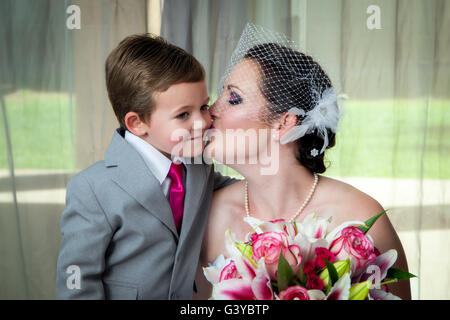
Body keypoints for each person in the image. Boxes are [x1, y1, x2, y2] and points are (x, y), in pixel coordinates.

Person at [195, 26, 411, 300]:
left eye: (233, 98)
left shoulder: (358, 218)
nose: (212, 110)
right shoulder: (209, 216)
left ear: (284, 122)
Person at [56, 34, 238, 300]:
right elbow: (78, 281)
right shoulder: (94, 188)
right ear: (137, 123)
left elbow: (235, 189)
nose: (202, 121)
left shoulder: (198, 167)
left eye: (203, 106)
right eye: (183, 114)